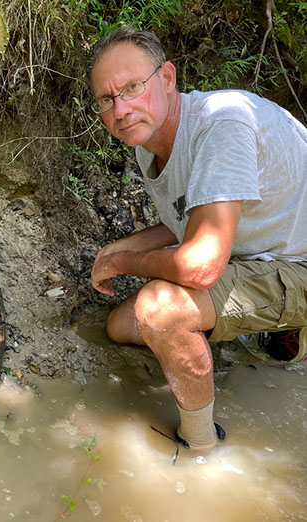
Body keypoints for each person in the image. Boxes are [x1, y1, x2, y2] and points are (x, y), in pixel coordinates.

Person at [88, 25, 307, 451]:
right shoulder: (147, 140)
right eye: (107, 99)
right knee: (122, 325)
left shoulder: (221, 123)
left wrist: (122, 262)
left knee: (161, 309)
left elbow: (199, 264)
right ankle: (246, 333)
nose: (121, 109)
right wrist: (123, 247)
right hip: (252, 252)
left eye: (133, 87)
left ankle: (202, 445)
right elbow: (190, 215)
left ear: (167, 78)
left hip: (298, 262)